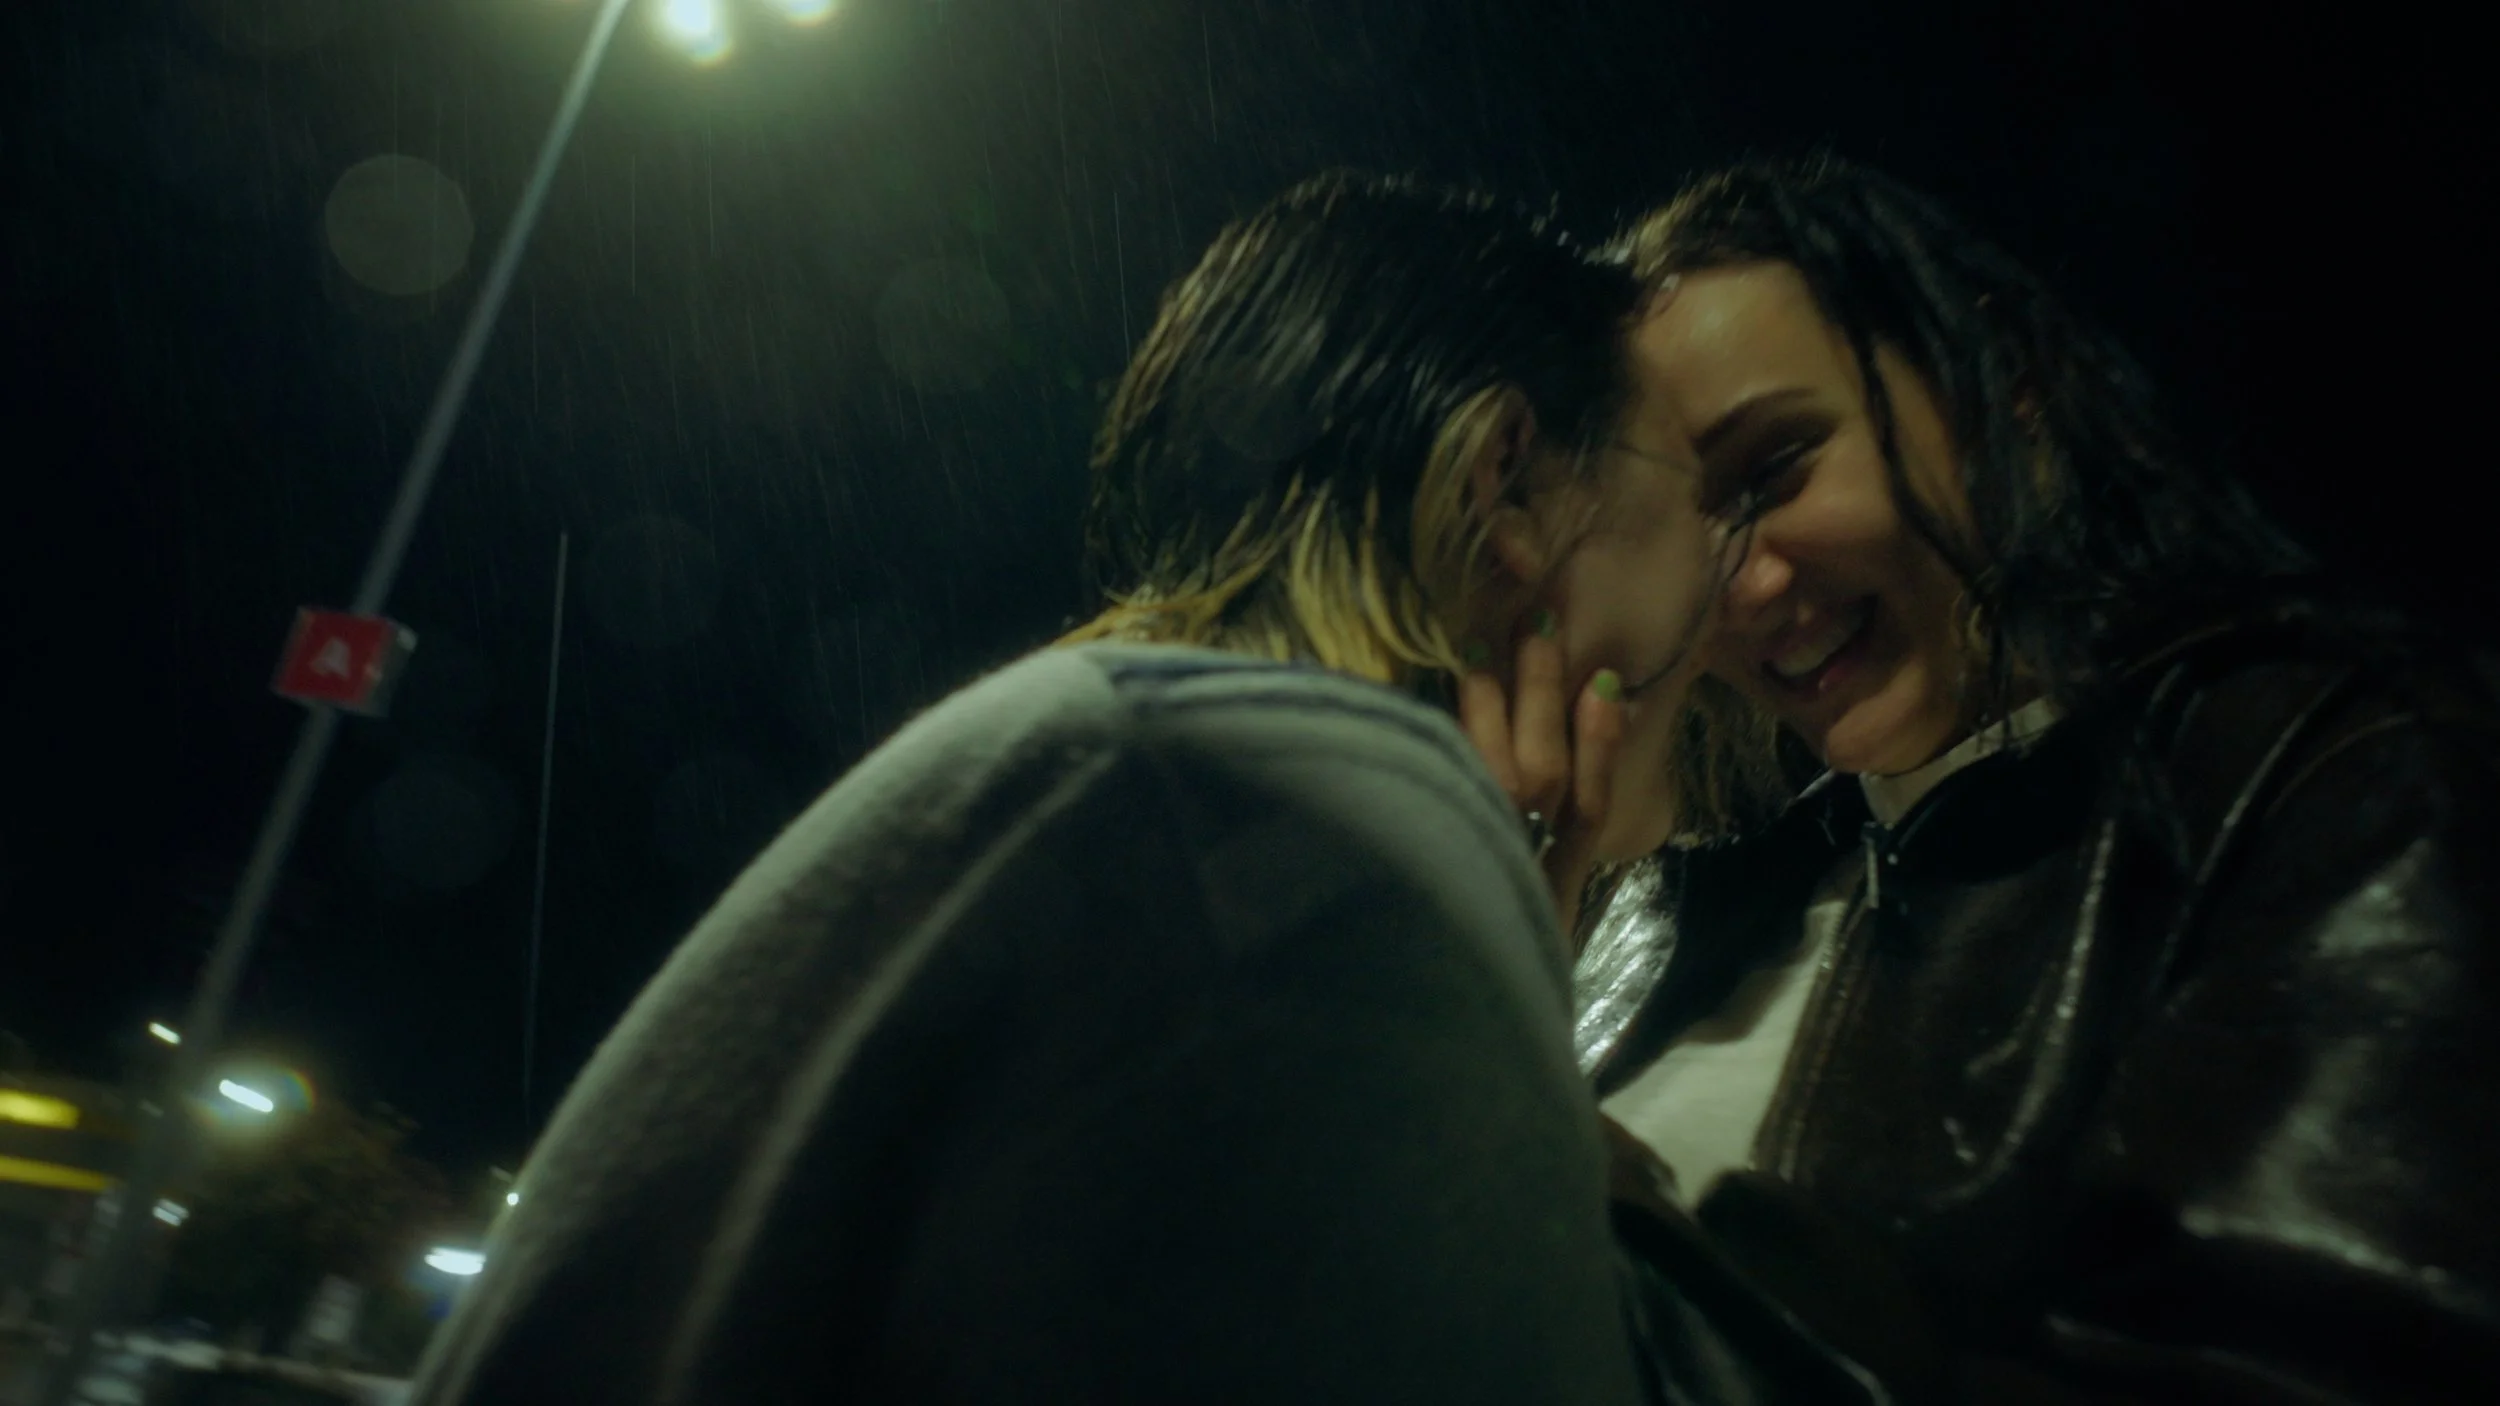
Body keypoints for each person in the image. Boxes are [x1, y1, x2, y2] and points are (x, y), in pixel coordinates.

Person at [402, 172, 1869, 1406]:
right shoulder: (1311, 833)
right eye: (1706, 494)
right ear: (1499, 487)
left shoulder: (1145, 769)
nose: (1734, 580)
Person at [1554, 157, 2500, 1403]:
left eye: (1774, 465)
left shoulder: (2321, 777)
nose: (1742, 589)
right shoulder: (1665, 908)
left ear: (2000, 384)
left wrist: (1571, 1198)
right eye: (1680, 533)